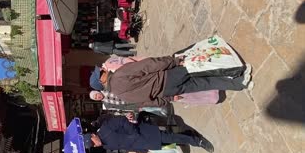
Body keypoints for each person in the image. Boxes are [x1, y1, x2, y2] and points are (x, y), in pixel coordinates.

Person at [89, 56, 253, 106]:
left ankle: (239, 84)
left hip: (168, 91)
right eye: (100, 72)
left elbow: (147, 103)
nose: (103, 69)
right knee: (203, 69)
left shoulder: (121, 96)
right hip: (168, 77)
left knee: (205, 84)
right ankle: (238, 71)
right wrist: (173, 61)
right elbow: (148, 65)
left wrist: (168, 98)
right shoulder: (119, 74)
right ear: (101, 80)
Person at [83, 115, 214, 153]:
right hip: (144, 144)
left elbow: (122, 120)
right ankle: (188, 134)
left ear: (93, 136)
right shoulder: (105, 146)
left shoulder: (105, 127)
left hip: (144, 134)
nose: (94, 146)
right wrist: (141, 150)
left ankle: (198, 141)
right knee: (169, 142)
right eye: (92, 147)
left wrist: (133, 134)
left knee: (170, 137)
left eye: (92, 143)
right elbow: (124, 146)